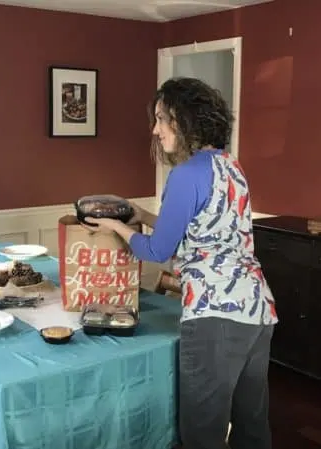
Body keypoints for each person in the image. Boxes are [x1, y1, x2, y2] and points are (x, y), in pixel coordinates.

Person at [87, 77, 277, 449]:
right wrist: (143, 214)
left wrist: (115, 227)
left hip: (216, 315)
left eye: (161, 119)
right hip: (257, 309)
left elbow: (157, 250)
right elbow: (205, 231)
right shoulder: (230, 167)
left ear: (185, 119)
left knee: (203, 430)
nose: (155, 130)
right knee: (252, 424)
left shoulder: (186, 174)